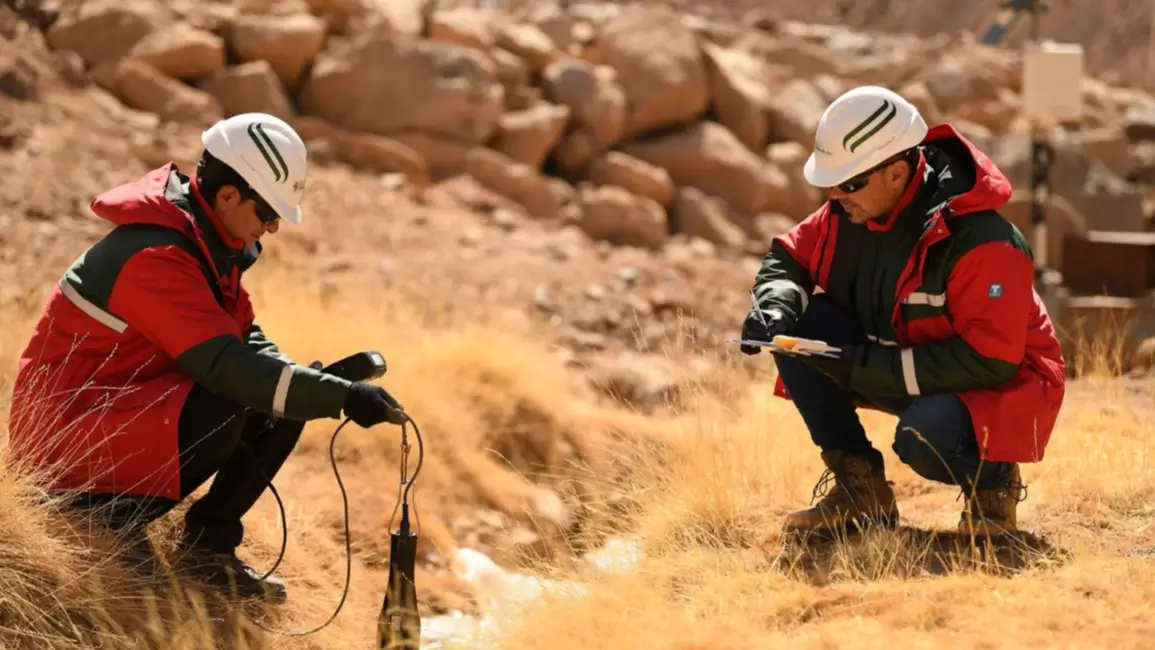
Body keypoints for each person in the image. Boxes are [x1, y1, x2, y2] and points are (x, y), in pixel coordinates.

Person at [5, 113, 407, 603]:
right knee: (237, 398)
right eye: (268, 213)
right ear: (229, 196)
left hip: (111, 413)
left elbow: (241, 339)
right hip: (61, 442)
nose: (274, 227)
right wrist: (337, 397)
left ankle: (207, 549)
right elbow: (225, 366)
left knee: (280, 398)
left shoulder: (202, 243)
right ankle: (105, 520)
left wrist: (317, 385)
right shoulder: (156, 255)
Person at [738, 86, 1066, 538]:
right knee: (799, 328)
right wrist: (774, 307)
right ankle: (860, 489)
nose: (835, 193)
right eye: (832, 181)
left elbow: (991, 359)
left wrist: (863, 368)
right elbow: (789, 258)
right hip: (912, 359)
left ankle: (993, 486)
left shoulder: (983, 240)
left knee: (924, 436)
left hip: (1002, 386)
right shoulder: (849, 211)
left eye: (850, 182)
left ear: (896, 173)